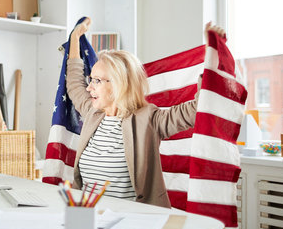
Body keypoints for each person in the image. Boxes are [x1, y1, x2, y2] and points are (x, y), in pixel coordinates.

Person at [66, 18, 225, 208]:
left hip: (132, 223)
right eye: (90, 79)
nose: (89, 87)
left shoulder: (148, 119)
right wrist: (75, 37)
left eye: (97, 81)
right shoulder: (93, 112)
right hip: (88, 219)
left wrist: (213, 57)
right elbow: (74, 83)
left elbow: (197, 109)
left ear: (118, 85)